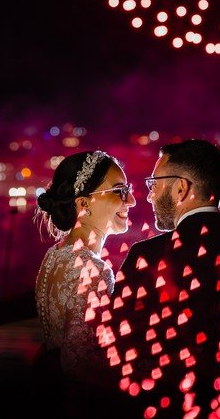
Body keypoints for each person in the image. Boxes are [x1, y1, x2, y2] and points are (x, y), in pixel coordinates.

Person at [106, 139, 220, 415]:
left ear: (181, 188)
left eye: (154, 184)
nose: (149, 196)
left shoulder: (145, 257)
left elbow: (116, 348)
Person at [34, 149, 136, 387]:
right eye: (119, 191)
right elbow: (80, 364)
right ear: (83, 203)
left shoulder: (54, 256)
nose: (131, 200)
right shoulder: (93, 269)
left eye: (128, 190)